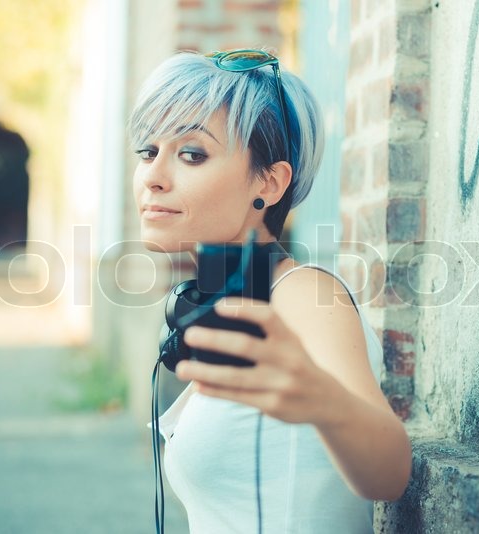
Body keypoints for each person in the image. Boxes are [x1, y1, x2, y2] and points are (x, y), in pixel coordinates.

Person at [129, 49, 412, 533]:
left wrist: (323, 399)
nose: (154, 177)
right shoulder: (227, 306)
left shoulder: (303, 297)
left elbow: (389, 473)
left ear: (270, 182)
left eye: (192, 154)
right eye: (148, 152)